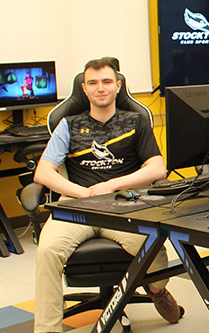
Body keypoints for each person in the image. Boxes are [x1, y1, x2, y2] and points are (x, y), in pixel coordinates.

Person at [33, 58, 180, 333]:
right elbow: (43, 173)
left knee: (156, 251)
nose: (100, 88)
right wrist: (84, 193)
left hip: (124, 205)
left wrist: (112, 185)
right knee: (47, 250)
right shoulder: (68, 125)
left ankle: (157, 292)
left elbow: (157, 168)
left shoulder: (135, 121)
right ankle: (47, 329)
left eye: (107, 82)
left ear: (118, 86)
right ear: (84, 89)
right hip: (77, 206)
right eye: (93, 83)